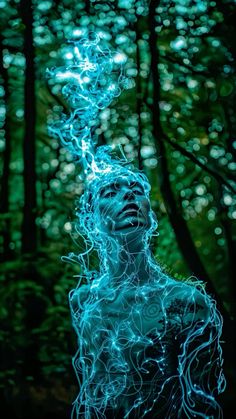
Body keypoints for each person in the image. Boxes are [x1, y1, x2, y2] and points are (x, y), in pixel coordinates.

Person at [68, 153, 225, 419]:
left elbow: (203, 403)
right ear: (91, 221)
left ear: (150, 215)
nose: (128, 195)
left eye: (136, 190)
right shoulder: (84, 302)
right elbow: (92, 390)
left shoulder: (186, 301)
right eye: (110, 192)